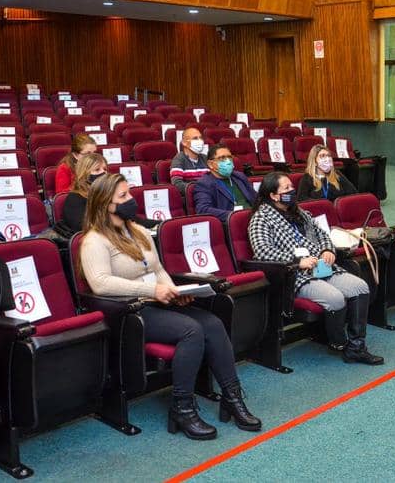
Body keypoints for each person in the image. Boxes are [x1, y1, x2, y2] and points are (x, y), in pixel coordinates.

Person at [80, 173, 260, 440]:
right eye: (123, 196)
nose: (131, 199)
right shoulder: (94, 240)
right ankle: (182, 407)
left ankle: (232, 398)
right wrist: (152, 290)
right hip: (131, 310)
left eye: (129, 193)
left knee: (212, 323)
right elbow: (101, 284)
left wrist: (174, 292)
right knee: (191, 330)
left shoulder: (138, 231)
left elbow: (158, 269)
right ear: (106, 203)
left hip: (159, 300)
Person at [248, 172, 383, 365]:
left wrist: (327, 249)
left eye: (291, 187)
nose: (292, 191)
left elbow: (323, 234)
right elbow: (262, 252)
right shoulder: (261, 218)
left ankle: (356, 347)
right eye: (286, 189)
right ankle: (339, 342)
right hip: (296, 274)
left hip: (322, 266)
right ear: (273, 195)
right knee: (335, 298)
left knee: (360, 287)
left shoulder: (299, 211)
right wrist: (296, 260)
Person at [56, 153, 161, 238]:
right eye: (97, 170)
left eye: (105, 169)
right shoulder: (75, 198)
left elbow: (132, 219)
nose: (104, 173)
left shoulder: (110, 194)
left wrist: (160, 224)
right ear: (84, 174)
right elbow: (84, 228)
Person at [193, 144, 256, 222]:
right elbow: (203, 209)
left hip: (254, 218)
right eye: (222, 158)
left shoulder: (239, 176)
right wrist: (234, 216)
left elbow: (256, 198)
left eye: (229, 157)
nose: (228, 161)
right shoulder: (204, 183)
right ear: (210, 164)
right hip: (232, 223)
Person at [170, 127, 210, 196]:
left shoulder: (205, 158)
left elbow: (213, 179)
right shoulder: (179, 159)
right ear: (184, 143)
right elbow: (177, 185)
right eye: (195, 138)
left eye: (200, 138)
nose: (200, 141)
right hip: (191, 198)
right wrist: (200, 189)